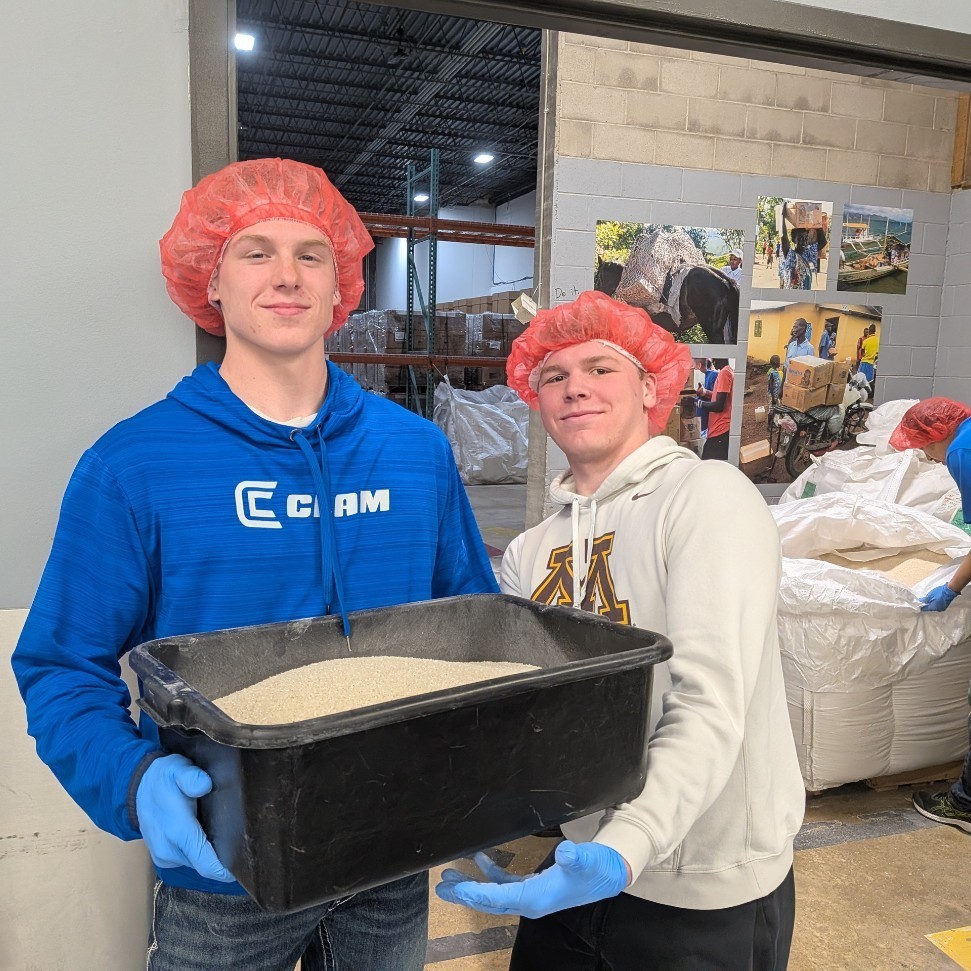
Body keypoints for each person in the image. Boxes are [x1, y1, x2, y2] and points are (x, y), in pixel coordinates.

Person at [11, 158, 499, 971]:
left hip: (390, 855)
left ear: (341, 281)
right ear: (213, 281)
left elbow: (475, 637)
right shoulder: (135, 463)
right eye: (256, 251)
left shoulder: (414, 453)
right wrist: (134, 779)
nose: (287, 274)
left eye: (312, 254)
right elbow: (60, 665)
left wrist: (484, 787)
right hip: (223, 874)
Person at [436, 290, 805, 971]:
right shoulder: (529, 552)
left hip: (701, 891)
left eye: (599, 368)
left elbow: (708, 700)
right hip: (577, 868)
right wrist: (472, 813)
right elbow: (530, 715)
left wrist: (625, 843)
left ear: (648, 385)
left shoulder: (706, 498)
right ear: (535, 400)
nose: (574, 386)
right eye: (553, 375)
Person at [889, 397, 971, 832]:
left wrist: (951, 588)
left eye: (923, 443)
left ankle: (965, 804)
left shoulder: (961, 451)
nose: (924, 453)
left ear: (938, 432)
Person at [778, 202, 827, 290]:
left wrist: (817, 222)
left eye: (805, 238)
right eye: (800, 238)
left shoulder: (809, 254)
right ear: (793, 239)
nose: (803, 240)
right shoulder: (790, 255)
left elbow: (823, 242)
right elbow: (783, 236)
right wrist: (782, 216)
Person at [696, 357, 734, 461]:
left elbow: (719, 405)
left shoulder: (724, 373)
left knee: (707, 467)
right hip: (719, 430)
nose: (713, 363)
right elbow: (721, 397)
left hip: (720, 429)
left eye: (713, 360)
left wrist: (697, 403)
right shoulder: (728, 371)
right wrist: (705, 393)